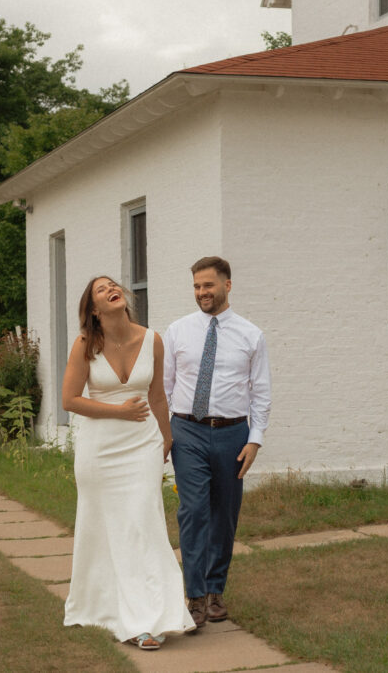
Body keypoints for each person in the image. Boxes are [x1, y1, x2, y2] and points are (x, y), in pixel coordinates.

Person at [62, 275, 196, 650]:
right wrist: (118, 411)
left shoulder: (152, 339)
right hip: (99, 448)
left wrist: (166, 439)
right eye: (100, 289)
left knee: (142, 524)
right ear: (94, 309)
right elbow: (70, 400)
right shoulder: (86, 344)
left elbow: (157, 397)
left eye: (112, 284)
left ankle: (150, 618)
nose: (110, 289)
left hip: (142, 445)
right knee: (102, 528)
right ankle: (106, 606)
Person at [163, 256, 271, 628]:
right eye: (196, 286)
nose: (201, 293)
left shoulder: (251, 335)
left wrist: (254, 441)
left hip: (232, 434)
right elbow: (164, 386)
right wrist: (164, 433)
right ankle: (193, 597)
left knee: (224, 513)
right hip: (187, 431)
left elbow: (261, 393)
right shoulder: (177, 331)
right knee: (193, 511)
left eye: (208, 285)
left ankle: (215, 591)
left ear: (227, 285)